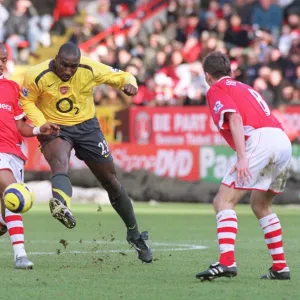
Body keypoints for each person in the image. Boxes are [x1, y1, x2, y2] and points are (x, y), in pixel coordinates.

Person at [20, 42, 152, 263]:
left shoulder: (89, 68)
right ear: (56, 58)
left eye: (73, 66)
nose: (68, 71)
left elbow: (122, 76)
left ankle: (134, 234)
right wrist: (42, 123)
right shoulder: (36, 75)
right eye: (64, 65)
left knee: (110, 181)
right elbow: (27, 100)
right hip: (56, 127)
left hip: (88, 128)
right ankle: (62, 206)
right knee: (60, 161)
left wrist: (131, 84)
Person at [196, 51, 291, 281]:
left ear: (207, 75)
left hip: (260, 141)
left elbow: (235, 119)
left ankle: (227, 262)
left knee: (223, 200)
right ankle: (280, 267)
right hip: (282, 140)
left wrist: (242, 158)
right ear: (230, 71)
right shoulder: (246, 87)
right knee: (260, 204)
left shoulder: (216, 89)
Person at [0, 43, 59, 269]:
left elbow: (20, 127)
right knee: (13, 193)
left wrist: (38, 129)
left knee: (3, 222)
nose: (1, 63)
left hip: (14, 154)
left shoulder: (12, 88)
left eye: (4, 59)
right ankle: (20, 255)